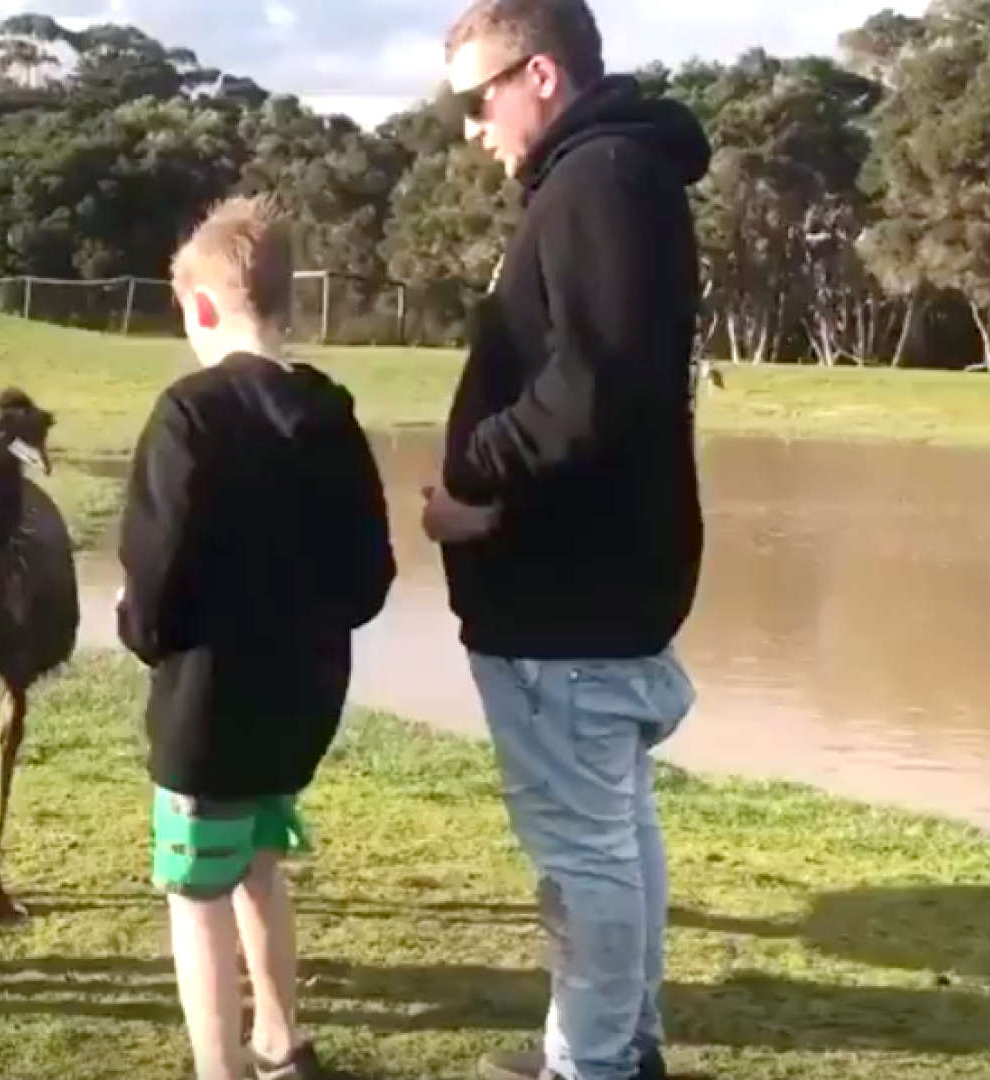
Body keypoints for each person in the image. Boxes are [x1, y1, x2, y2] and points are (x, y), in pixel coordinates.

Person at [422, 2, 711, 1079]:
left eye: (476, 98)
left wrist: (472, 482)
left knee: (583, 856)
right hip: (590, 581)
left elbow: (590, 395)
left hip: (566, 597)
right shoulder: (612, 179)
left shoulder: (599, 184)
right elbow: (599, 387)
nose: (470, 127)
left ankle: (588, 1066)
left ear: (539, 75)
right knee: (617, 833)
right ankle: (622, 1050)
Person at [115, 194, 396, 1080]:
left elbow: (152, 577)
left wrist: (144, 633)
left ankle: (222, 1068)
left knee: (195, 895)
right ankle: (280, 1038)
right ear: (285, 302)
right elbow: (370, 577)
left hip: (206, 709)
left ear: (201, 307)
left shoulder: (188, 414)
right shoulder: (333, 416)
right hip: (300, 703)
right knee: (261, 865)